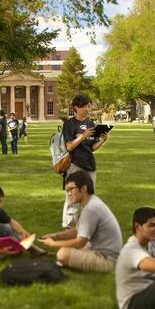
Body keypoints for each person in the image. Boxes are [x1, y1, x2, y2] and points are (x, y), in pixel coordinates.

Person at [40, 171, 122, 273]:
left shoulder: (91, 209)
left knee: (62, 254)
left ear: (83, 188)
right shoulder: (91, 202)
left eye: (71, 190)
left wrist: (53, 244)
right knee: (65, 248)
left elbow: (80, 242)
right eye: (67, 190)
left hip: (107, 260)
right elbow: (76, 230)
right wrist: (55, 236)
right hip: (98, 251)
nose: (69, 194)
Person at [60, 93, 109, 227]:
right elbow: (69, 146)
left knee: (88, 197)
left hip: (90, 165)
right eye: (85, 106)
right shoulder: (69, 124)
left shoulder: (90, 123)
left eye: (89, 106)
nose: (88, 109)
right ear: (76, 107)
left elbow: (92, 147)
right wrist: (83, 136)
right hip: (75, 165)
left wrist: (103, 140)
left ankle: (86, 225)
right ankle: (69, 226)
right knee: (72, 196)